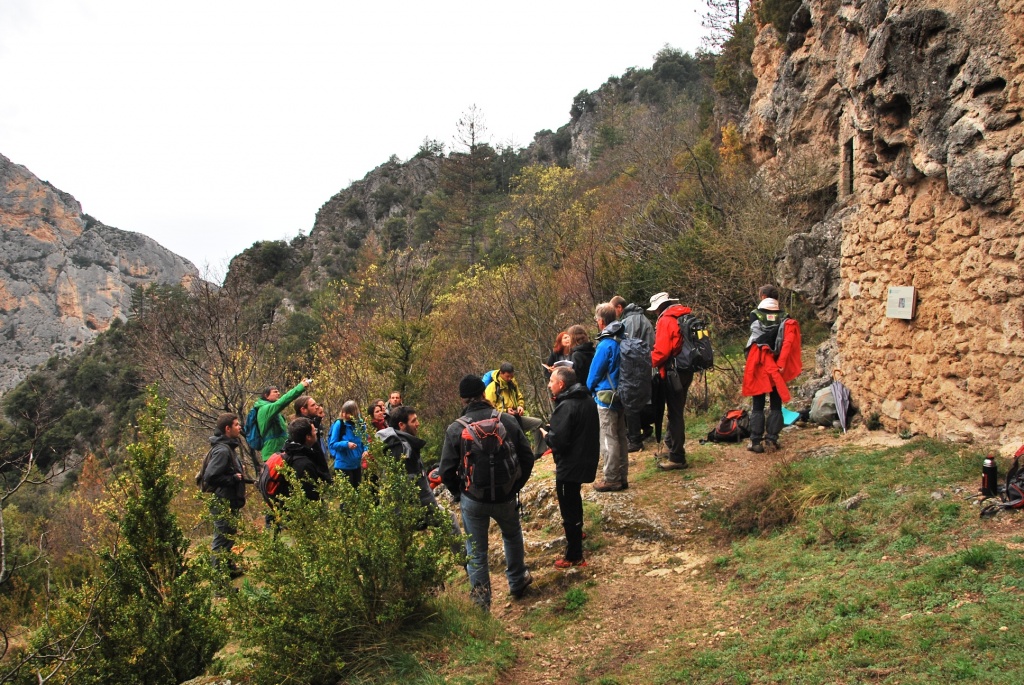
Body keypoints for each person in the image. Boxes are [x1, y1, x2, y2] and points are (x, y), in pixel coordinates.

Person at [439, 375, 536, 610]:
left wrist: (460, 493)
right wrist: (515, 485)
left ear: (463, 400)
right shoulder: (507, 421)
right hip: (505, 495)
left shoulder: (455, 429)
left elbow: (445, 471)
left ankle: (481, 604)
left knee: (477, 551)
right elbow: (527, 457)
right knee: (512, 535)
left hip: (473, 499)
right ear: (484, 394)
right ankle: (517, 581)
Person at [541, 367, 599, 569]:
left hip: (570, 464)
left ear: (561, 384)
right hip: (584, 458)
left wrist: (547, 436)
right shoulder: (587, 399)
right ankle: (578, 533)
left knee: (569, 508)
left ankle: (574, 554)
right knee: (574, 499)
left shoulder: (567, 405)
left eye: (551, 381)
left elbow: (560, 442)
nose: (549, 385)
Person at [377, 406, 462, 537]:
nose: (418, 424)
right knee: (449, 521)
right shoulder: (404, 449)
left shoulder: (391, 442)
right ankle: (462, 557)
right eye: (413, 421)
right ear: (401, 425)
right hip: (408, 510)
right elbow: (417, 486)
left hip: (393, 510)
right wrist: (428, 510)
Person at [742, 285, 803, 452]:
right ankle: (772, 439)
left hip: (761, 362)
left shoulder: (755, 314)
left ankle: (755, 441)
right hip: (778, 364)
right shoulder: (785, 316)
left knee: (758, 402)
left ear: (762, 296)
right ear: (776, 299)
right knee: (776, 402)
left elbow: (756, 337)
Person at [587, 302, 629, 492]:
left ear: (602, 321)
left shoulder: (606, 344)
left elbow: (594, 374)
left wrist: (590, 388)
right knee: (620, 436)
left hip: (606, 397)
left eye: (597, 319)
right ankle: (622, 476)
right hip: (623, 394)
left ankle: (611, 478)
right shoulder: (623, 338)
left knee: (608, 438)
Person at [650, 292, 694, 470]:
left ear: (659, 307)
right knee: (678, 409)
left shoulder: (666, 320)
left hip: (673, 372)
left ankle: (677, 456)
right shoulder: (684, 315)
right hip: (687, 369)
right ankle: (670, 445)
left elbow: (662, 351)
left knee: (675, 414)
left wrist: (648, 362)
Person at [204, 412, 247, 577]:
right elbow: (210, 476)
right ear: (227, 429)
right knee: (221, 540)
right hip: (223, 500)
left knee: (229, 536)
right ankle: (219, 584)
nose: (239, 427)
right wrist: (232, 479)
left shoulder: (228, 447)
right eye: (236, 425)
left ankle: (229, 570)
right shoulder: (222, 450)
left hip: (229, 500)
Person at [611, 295, 655, 452]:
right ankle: (646, 428)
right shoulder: (644, 318)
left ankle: (635, 439)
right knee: (645, 400)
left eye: (612, 308)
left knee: (631, 403)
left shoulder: (628, 322)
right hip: (648, 366)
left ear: (619, 308)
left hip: (635, 369)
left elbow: (626, 348)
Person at [484, 362, 545, 457]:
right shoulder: (491, 388)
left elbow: (519, 397)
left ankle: (539, 453)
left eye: (511, 376)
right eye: (507, 376)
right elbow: (489, 408)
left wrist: (520, 406)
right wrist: (505, 411)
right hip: (502, 420)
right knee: (516, 440)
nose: (510, 379)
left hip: (516, 416)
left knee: (538, 423)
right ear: (501, 373)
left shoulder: (512, 383)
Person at [254, 379, 311, 460]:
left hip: (280, 452)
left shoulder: (273, 411)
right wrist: (300, 387)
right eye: (275, 392)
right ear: (266, 396)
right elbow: (282, 402)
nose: (278, 393)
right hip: (272, 454)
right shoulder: (265, 409)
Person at [280, 417, 334, 500]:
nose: (316, 432)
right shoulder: (304, 464)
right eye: (314, 431)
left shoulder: (288, 452)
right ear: (308, 437)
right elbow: (311, 496)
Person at [294, 395, 333, 484]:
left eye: (316, 404)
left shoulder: (310, 422)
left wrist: (319, 418)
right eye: (312, 405)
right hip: (310, 469)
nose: (316, 407)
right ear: (303, 410)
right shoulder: (301, 427)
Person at [329, 400, 368, 487]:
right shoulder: (339, 424)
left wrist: (366, 450)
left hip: (356, 465)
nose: (344, 415)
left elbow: (365, 441)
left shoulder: (361, 424)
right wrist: (346, 444)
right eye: (343, 412)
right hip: (343, 465)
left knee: (358, 493)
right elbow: (332, 444)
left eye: (347, 413)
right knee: (347, 497)